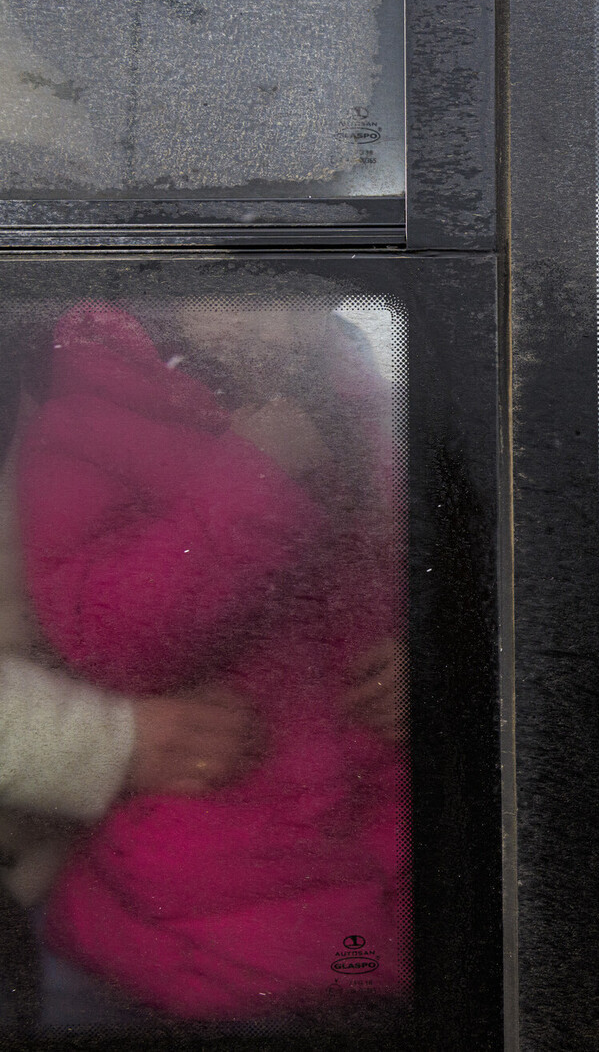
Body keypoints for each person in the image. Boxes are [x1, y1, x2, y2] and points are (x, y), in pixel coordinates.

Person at [15, 298, 405, 1021]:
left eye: (304, 296)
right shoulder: (88, 421)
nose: (280, 323)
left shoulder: (360, 399)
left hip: (376, 825)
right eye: (237, 291)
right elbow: (113, 642)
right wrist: (256, 475)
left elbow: (413, 564)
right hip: (211, 860)